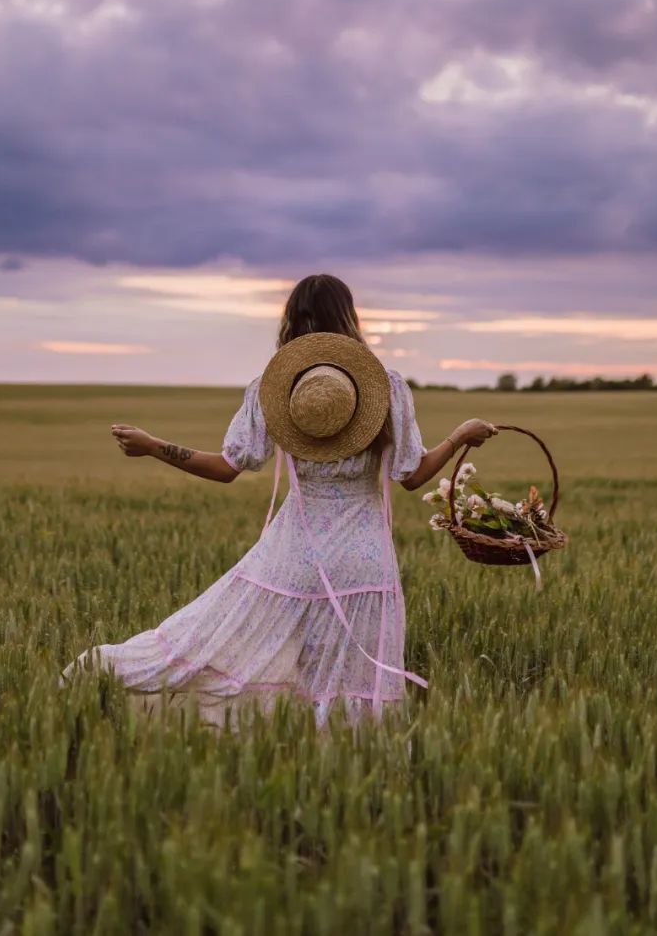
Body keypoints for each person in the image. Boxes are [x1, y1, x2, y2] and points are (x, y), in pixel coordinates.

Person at [60, 274, 498, 729]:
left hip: (293, 556)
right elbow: (413, 476)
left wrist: (154, 446)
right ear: (350, 317)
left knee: (215, 642)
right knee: (352, 682)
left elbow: (227, 467)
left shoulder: (277, 390)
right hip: (364, 561)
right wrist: (459, 435)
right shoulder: (385, 387)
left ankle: (111, 676)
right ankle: (347, 764)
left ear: (291, 320)